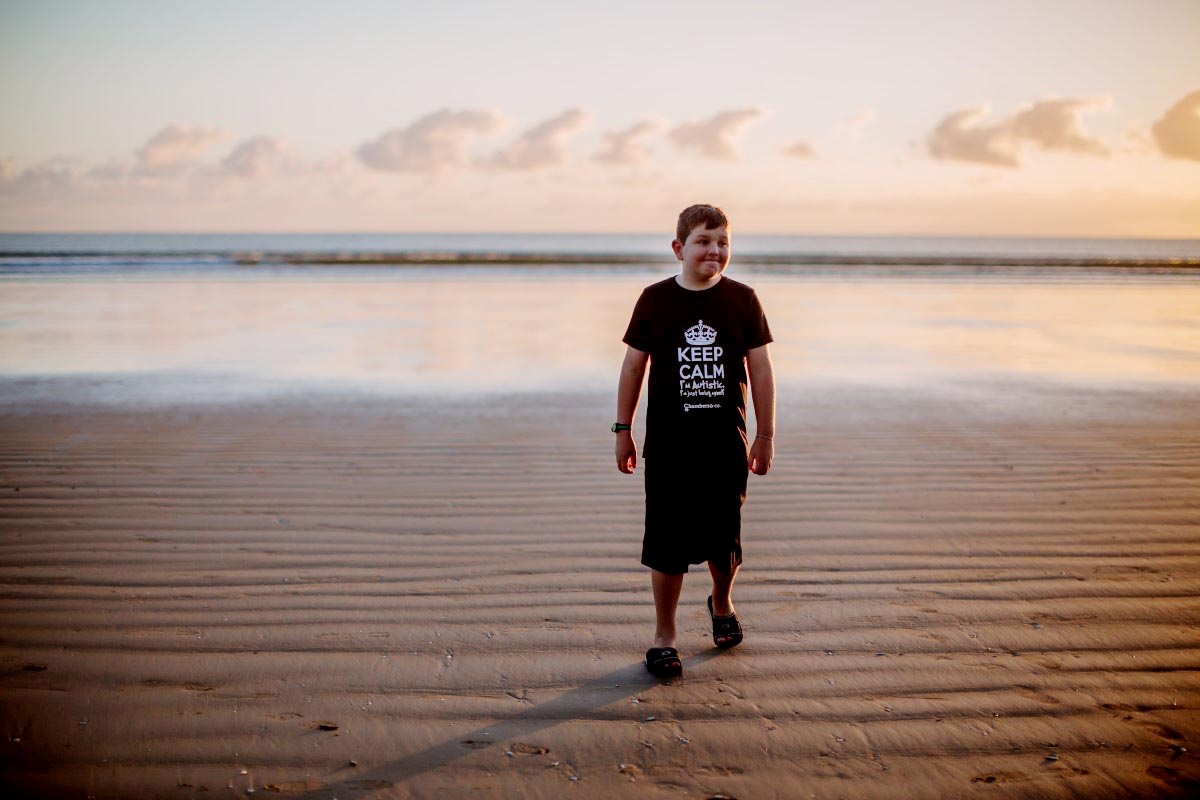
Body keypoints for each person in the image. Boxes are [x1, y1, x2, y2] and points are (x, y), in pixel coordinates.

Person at [614, 204, 776, 679]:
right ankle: (665, 637)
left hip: (725, 446)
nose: (715, 250)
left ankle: (721, 603)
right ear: (679, 248)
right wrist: (623, 430)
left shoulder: (743, 300)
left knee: (724, 541)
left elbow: (761, 370)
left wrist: (765, 435)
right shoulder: (655, 299)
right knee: (666, 542)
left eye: (723, 242)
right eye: (704, 241)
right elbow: (633, 366)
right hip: (669, 448)